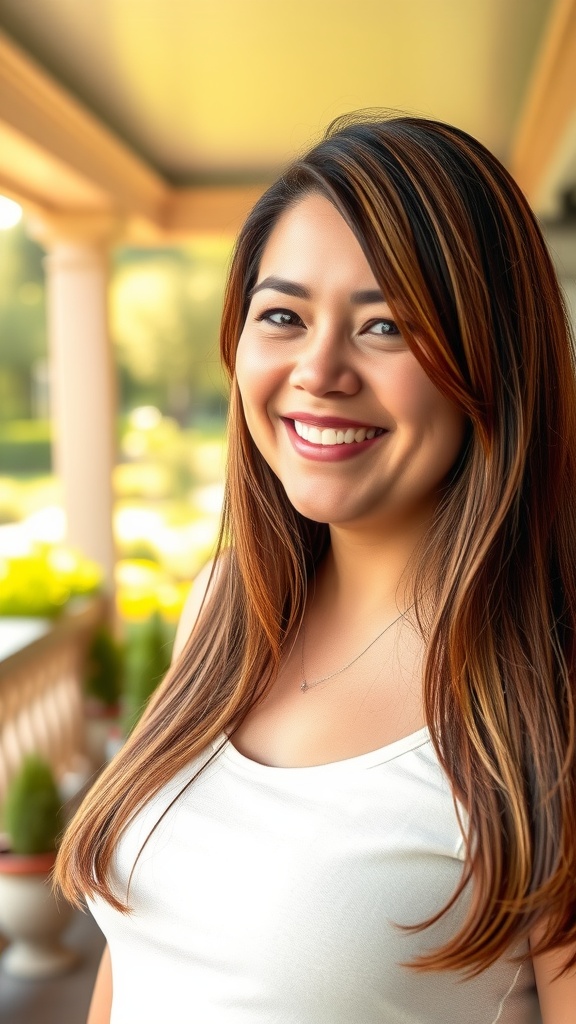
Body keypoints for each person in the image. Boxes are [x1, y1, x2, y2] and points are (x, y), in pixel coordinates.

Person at [55, 112, 576, 1023]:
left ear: (491, 360)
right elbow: (133, 964)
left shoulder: (545, 700)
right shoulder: (224, 610)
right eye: (284, 316)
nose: (319, 369)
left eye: (385, 327)